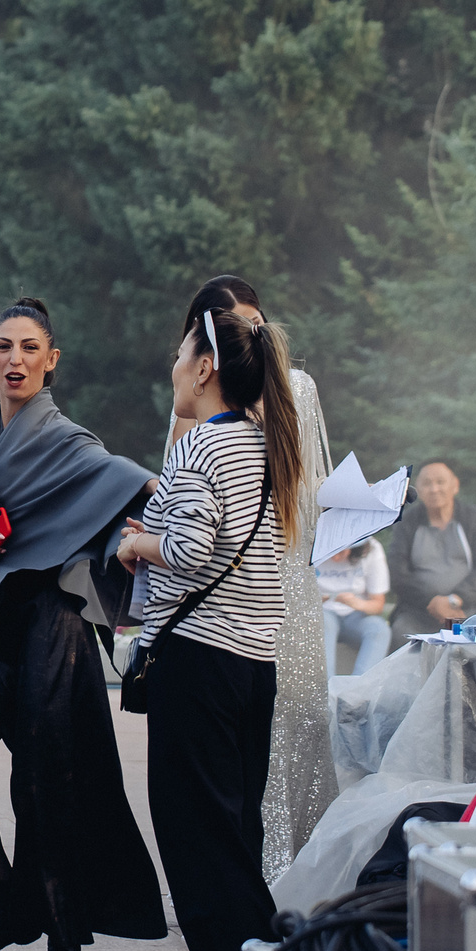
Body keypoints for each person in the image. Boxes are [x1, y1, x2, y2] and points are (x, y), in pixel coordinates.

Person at [0, 296, 164, 951]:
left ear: (51, 360)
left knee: (45, 778)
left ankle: (64, 940)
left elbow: (137, 486)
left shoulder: (70, 442)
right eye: (4, 346)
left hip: (52, 621)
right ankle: (14, 904)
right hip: (1, 626)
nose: (16, 359)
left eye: (30, 347)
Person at [117, 303, 307, 951]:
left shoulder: (202, 445)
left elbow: (191, 546)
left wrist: (141, 545)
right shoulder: (262, 442)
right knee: (229, 832)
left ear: (204, 367)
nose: (171, 367)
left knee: (198, 836)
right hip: (249, 662)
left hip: (199, 660)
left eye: (179, 353)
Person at [181, 275, 335, 878]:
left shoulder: (296, 388)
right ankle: (243, 870)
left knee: (293, 722)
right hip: (224, 588)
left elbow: (310, 486)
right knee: (238, 744)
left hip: (281, 580)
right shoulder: (198, 404)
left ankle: (287, 868)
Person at [385, 459, 476, 642]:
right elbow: (397, 572)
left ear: (455, 486)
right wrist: (433, 602)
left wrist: (455, 599)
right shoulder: (407, 521)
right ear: (418, 489)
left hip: (468, 608)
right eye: (427, 483)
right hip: (418, 611)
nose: (434, 489)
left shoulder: (473, 518)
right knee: (401, 634)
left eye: (440, 482)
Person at [315, 539, 391, 677]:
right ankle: (327, 689)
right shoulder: (311, 545)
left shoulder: (372, 548)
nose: (336, 557)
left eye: (342, 551)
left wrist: (357, 603)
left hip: (356, 615)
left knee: (379, 629)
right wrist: (320, 599)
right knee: (323, 623)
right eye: (331, 551)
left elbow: (378, 604)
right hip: (321, 611)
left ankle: (357, 691)